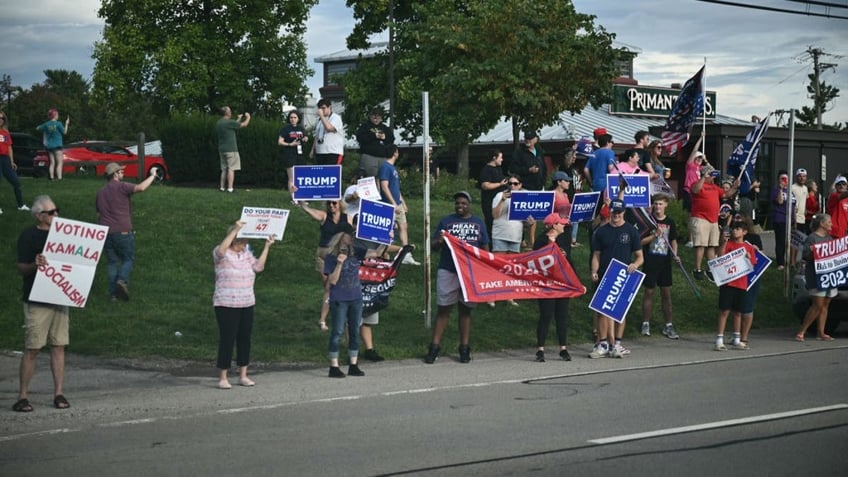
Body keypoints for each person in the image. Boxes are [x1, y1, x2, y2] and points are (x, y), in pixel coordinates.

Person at [14, 195, 70, 412]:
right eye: (51, 212)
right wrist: (35, 265)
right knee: (33, 347)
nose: (56, 214)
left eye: (57, 210)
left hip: (60, 296)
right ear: (39, 216)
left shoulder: (65, 234)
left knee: (59, 346)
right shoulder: (29, 236)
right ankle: (22, 396)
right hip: (37, 299)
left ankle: (58, 393)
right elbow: (21, 268)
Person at [425, 191, 489, 364]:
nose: (460, 206)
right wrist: (439, 241)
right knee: (443, 309)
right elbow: (434, 247)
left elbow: (484, 247)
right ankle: (434, 347)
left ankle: (464, 348)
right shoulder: (446, 222)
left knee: (465, 310)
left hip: (469, 272)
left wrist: (483, 268)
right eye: (457, 203)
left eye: (463, 203)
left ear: (469, 204)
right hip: (449, 269)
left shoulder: (478, 223)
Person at [213, 221, 274, 389]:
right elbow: (221, 251)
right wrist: (236, 229)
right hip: (226, 302)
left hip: (246, 301)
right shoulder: (222, 253)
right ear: (234, 240)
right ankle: (223, 376)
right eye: (241, 242)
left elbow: (258, 267)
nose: (244, 245)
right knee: (227, 338)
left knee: (244, 338)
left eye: (245, 242)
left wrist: (267, 247)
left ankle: (243, 374)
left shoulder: (247, 253)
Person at [95, 162, 159, 301]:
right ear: (115, 174)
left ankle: (113, 295)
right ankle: (122, 281)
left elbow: (98, 213)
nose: (123, 174)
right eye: (121, 172)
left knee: (112, 263)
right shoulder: (122, 187)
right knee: (128, 259)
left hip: (106, 232)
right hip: (123, 231)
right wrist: (152, 175)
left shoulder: (100, 192)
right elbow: (141, 188)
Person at [589, 199, 643, 359]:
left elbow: (640, 256)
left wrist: (635, 264)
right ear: (610, 212)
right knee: (601, 310)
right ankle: (603, 343)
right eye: (614, 212)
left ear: (623, 213)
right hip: (605, 274)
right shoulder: (601, 231)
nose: (616, 215)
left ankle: (617, 343)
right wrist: (594, 271)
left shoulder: (631, 231)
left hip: (623, 274)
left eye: (619, 213)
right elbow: (596, 255)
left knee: (619, 311)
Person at [296, 200, 350, 330]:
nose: (331, 206)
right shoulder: (325, 216)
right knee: (328, 285)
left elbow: (356, 229)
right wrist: (303, 205)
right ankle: (334, 309)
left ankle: (322, 320)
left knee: (329, 287)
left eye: (334, 203)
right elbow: (312, 213)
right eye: (329, 204)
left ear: (340, 204)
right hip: (323, 255)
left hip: (338, 255)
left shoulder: (347, 217)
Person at [324, 225, 366, 378]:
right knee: (337, 332)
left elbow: (377, 252)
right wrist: (340, 264)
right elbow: (332, 282)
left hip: (356, 297)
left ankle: (353, 364)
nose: (349, 240)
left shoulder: (356, 254)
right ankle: (333, 366)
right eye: (347, 238)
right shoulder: (331, 258)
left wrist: (386, 239)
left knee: (354, 330)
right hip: (340, 299)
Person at [638, 194, 681, 339]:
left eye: (660, 204)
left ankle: (668, 325)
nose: (658, 207)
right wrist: (654, 235)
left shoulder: (670, 222)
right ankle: (645, 323)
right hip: (650, 261)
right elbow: (640, 242)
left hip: (665, 263)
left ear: (666, 205)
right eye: (656, 204)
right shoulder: (648, 222)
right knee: (649, 293)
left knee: (666, 294)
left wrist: (675, 254)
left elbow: (673, 240)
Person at [533, 212, 574, 362]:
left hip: (562, 284)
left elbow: (568, 261)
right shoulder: (541, 241)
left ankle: (563, 348)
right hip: (547, 285)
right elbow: (535, 262)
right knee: (546, 315)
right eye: (561, 223)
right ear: (554, 225)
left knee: (562, 316)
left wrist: (576, 281)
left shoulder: (564, 238)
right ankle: (540, 349)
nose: (564, 225)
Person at [691, 161, 739, 280]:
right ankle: (697, 269)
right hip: (700, 218)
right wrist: (704, 176)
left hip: (713, 220)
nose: (713, 176)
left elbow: (726, 195)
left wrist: (734, 187)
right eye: (711, 174)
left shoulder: (715, 187)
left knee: (712, 245)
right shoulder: (698, 184)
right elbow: (695, 190)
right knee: (701, 244)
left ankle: (711, 269)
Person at [713, 219, 757, 351]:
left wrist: (750, 258)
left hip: (741, 284)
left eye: (738, 229)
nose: (734, 231)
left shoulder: (748, 247)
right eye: (734, 229)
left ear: (744, 232)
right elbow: (720, 256)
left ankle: (737, 338)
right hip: (728, 282)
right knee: (724, 311)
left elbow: (753, 264)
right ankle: (719, 339)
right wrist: (723, 242)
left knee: (738, 312)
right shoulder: (729, 244)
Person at [796, 213, 837, 341]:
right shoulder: (812, 238)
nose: (831, 224)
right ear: (822, 224)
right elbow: (806, 256)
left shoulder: (829, 239)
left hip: (829, 275)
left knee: (825, 305)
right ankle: (802, 331)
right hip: (816, 276)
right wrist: (815, 252)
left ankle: (821, 332)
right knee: (817, 305)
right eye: (829, 222)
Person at [380, 145, 420, 265]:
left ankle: (406, 254)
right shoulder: (385, 167)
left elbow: (396, 188)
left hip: (398, 204)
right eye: (397, 151)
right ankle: (383, 253)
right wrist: (393, 204)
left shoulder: (393, 168)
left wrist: (402, 202)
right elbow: (384, 186)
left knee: (403, 227)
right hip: (389, 205)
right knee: (388, 232)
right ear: (395, 153)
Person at [490, 174, 526, 307]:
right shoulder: (499, 196)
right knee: (497, 267)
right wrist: (503, 200)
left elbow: (526, 221)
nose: (512, 186)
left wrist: (530, 222)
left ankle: (509, 296)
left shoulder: (524, 198)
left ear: (520, 185)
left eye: (515, 183)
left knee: (512, 269)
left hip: (516, 235)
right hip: (500, 234)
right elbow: (495, 215)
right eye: (510, 183)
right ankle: (491, 296)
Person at [510, 131, 546, 245]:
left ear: (536, 139)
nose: (528, 140)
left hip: (538, 186)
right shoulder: (519, 152)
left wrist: (543, 180)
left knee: (534, 215)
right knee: (524, 215)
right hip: (525, 186)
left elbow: (544, 167)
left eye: (530, 138)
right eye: (526, 138)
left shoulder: (539, 152)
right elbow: (513, 168)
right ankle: (523, 239)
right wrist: (528, 170)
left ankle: (531, 241)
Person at [0, 111, 29, 214]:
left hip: (5, 159)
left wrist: (12, 161)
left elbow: (9, 147)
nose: (0, 120)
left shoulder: (6, 133)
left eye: (2, 118)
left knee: (16, 181)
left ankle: (21, 205)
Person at [216, 106, 251, 192]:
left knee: (224, 169)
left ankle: (222, 187)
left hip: (222, 149)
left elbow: (234, 125)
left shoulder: (219, 123)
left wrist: (238, 118)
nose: (231, 112)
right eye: (230, 111)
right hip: (231, 149)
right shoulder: (228, 123)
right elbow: (244, 125)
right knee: (231, 168)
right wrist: (248, 117)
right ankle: (230, 188)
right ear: (227, 113)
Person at [356, 107, 395, 177]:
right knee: (369, 178)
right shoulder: (365, 127)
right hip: (369, 156)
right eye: (374, 117)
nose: (376, 119)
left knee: (383, 179)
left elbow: (391, 139)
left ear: (381, 118)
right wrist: (374, 136)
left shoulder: (385, 128)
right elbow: (360, 138)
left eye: (378, 117)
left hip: (383, 157)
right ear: (370, 117)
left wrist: (384, 137)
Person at [479, 148, 507, 238]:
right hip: (489, 201)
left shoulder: (498, 168)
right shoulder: (486, 169)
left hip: (499, 201)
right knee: (491, 222)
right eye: (500, 157)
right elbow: (485, 185)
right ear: (494, 158)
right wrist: (500, 184)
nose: (502, 159)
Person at [278, 110, 308, 192]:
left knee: (300, 176)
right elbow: (280, 142)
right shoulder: (286, 129)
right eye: (291, 117)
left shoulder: (301, 128)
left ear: (298, 119)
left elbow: (305, 137)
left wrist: (305, 139)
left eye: (295, 117)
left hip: (300, 154)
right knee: (292, 177)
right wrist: (290, 144)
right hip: (289, 154)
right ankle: (293, 198)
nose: (293, 119)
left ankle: (300, 197)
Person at [36, 109, 69, 181]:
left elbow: (38, 128)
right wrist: (66, 124)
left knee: (52, 162)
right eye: (57, 115)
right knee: (60, 162)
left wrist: (44, 130)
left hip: (49, 146)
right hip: (57, 145)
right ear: (55, 115)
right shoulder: (58, 124)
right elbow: (65, 132)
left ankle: (51, 177)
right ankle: (59, 178)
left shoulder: (46, 124)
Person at [771, 170, 794, 270]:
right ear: (778, 180)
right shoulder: (775, 190)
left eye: (786, 179)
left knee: (788, 241)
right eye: (782, 179)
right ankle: (780, 263)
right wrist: (780, 189)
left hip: (790, 219)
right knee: (780, 241)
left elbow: (794, 206)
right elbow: (780, 201)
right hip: (780, 219)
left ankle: (787, 261)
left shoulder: (790, 192)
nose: (785, 181)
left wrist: (795, 219)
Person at [311, 98, 345, 166]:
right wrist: (312, 150)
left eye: (323, 108)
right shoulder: (319, 120)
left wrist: (321, 116)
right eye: (320, 109)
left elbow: (329, 128)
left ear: (329, 107)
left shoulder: (336, 117)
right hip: (320, 151)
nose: (321, 111)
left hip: (333, 151)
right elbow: (317, 136)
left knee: (332, 173)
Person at [790, 168, 808, 265]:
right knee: (793, 241)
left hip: (802, 218)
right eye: (800, 176)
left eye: (804, 176)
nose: (802, 178)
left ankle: (795, 261)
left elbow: (805, 201)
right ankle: (791, 262)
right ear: (797, 177)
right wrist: (794, 219)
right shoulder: (792, 187)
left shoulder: (805, 188)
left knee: (798, 241)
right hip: (794, 218)